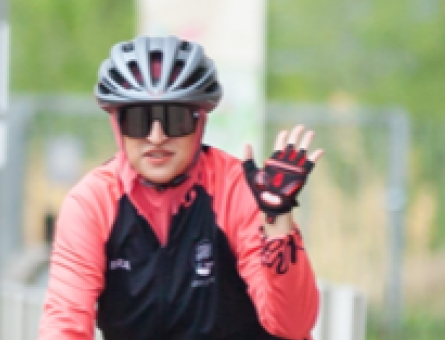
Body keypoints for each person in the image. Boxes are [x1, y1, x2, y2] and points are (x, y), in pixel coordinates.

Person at [38, 35, 324, 340]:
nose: (157, 136)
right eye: (138, 120)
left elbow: (292, 325)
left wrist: (278, 223)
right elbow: (64, 323)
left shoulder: (237, 188)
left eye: (174, 119)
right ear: (117, 125)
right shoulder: (92, 203)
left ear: (199, 123)